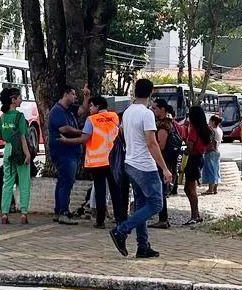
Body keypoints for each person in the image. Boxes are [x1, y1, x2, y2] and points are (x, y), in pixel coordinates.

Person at [109, 78, 173, 258]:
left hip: (130, 163)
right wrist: (165, 169)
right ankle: (121, 231)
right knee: (156, 204)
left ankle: (142, 246)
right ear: (151, 92)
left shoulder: (128, 112)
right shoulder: (146, 114)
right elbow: (152, 143)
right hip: (145, 166)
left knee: (140, 206)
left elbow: (121, 133)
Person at [60, 95, 123, 229]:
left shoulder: (91, 120)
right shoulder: (114, 117)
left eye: (92, 106)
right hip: (113, 160)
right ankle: (120, 220)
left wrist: (66, 140)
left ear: (98, 107)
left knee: (100, 190)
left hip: (97, 161)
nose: (90, 108)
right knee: (115, 190)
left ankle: (100, 221)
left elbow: (84, 139)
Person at [47, 84, 91, 225]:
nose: (74, 96)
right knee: (66, 182)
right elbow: (64, 128)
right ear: (65, 94)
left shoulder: (69, 109)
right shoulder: (57, 111)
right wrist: (82, 133)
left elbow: (82, 110)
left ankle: (59, 210)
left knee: (63, 181)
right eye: (73, 94)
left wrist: (86, 97)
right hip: (63, 152)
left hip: (71, 152)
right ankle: (63, 212)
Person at [0, 88, 33, 225]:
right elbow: (23, 137)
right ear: (13, 100)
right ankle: (23, 214)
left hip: (7, 150)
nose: (21, 100)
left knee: (7, 183)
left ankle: (4, 214)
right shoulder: (19, 116)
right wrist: (27, 153)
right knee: (24, 182)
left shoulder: (3, 117)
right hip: (19, 151)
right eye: (19, 98)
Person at [149, 99, 177, 229]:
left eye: (155, 108)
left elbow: (160, 145)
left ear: (162, 109)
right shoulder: (166, 123)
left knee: (160, 190)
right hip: (165, 161)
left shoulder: (163, 126)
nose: (153, 111)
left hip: (162, 161)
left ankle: (163, 218)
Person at [182, 105, 210, 224]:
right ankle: (196, 214)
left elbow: (189, 147)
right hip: (199, 157)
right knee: (188, 188)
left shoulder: (194, 130)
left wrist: (183, 145)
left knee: (190, 188)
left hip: (193, 159)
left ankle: (194, 215)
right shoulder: (205, 129)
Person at [202, 115, 223, 195]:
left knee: (210, 170)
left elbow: (209, 142)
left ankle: (210, 189)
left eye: (210, 121)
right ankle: (215, 189)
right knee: (216, 170)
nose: (209, 122)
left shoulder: (212, 131)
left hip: (211, 152)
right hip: (217, 151)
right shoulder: (220, 130)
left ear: (213, 122)